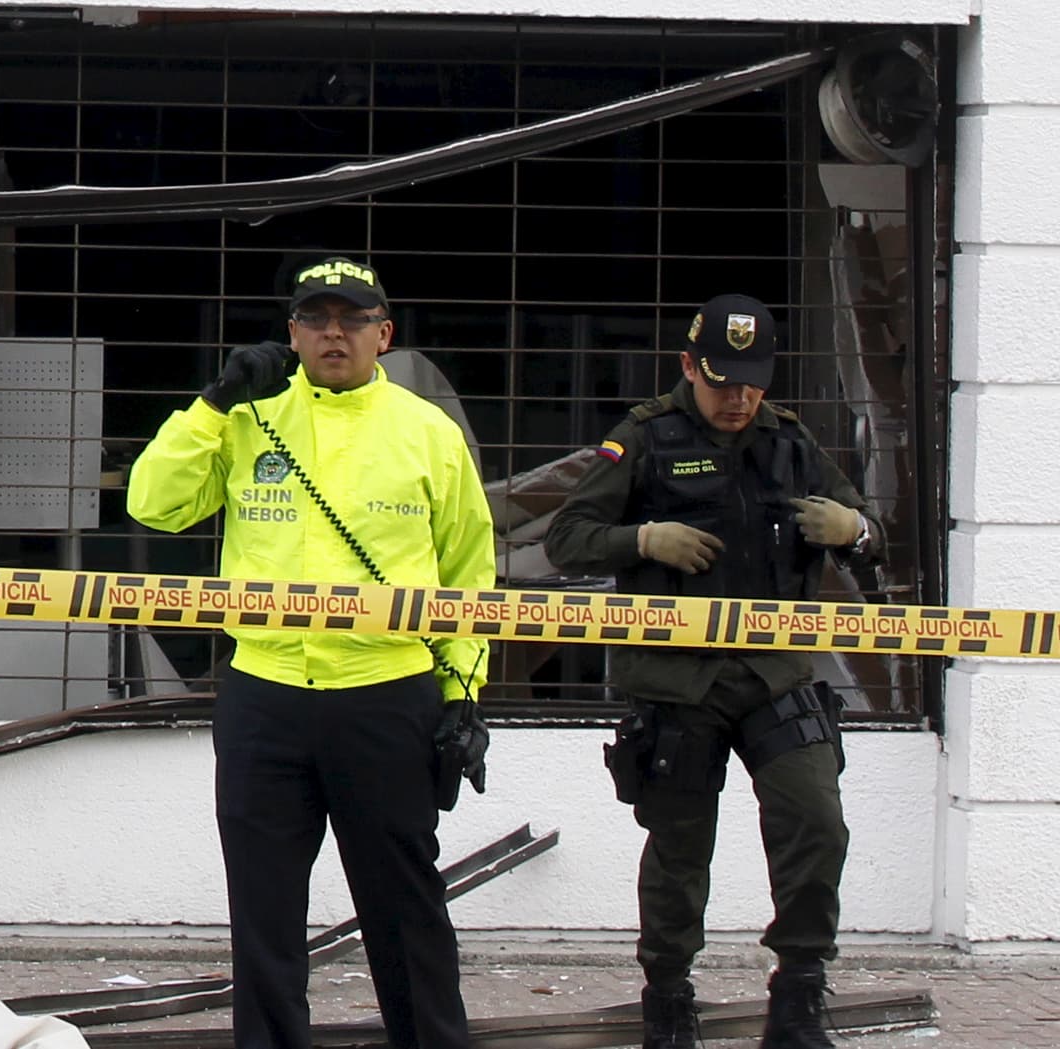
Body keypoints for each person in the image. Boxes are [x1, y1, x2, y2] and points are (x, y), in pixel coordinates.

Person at [130, 255, 495, 1049]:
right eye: (317, 319)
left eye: (353, 319)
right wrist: (212, 402)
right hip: (265, 696)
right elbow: (152, 503)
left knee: (405, 909)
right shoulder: (244, 417)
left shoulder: (429, 432)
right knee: (264, 914)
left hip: (387, 694)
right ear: (291, 333)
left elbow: (469, 575)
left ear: (384, 334)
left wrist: (462, 692)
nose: (335, 333)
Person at [544, 294, 873, 1049]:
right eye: (722, 380)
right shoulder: (646, 438)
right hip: (675, 681)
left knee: (816, 820)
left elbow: (868, 535)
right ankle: (668, 999)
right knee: (681, 848)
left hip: (776, 674)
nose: (738, 397)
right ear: (690, 366)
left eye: (752, 381)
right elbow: (568, 538)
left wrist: (853, 528)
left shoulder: (790, 441)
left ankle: (798, 996)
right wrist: (644, 538)